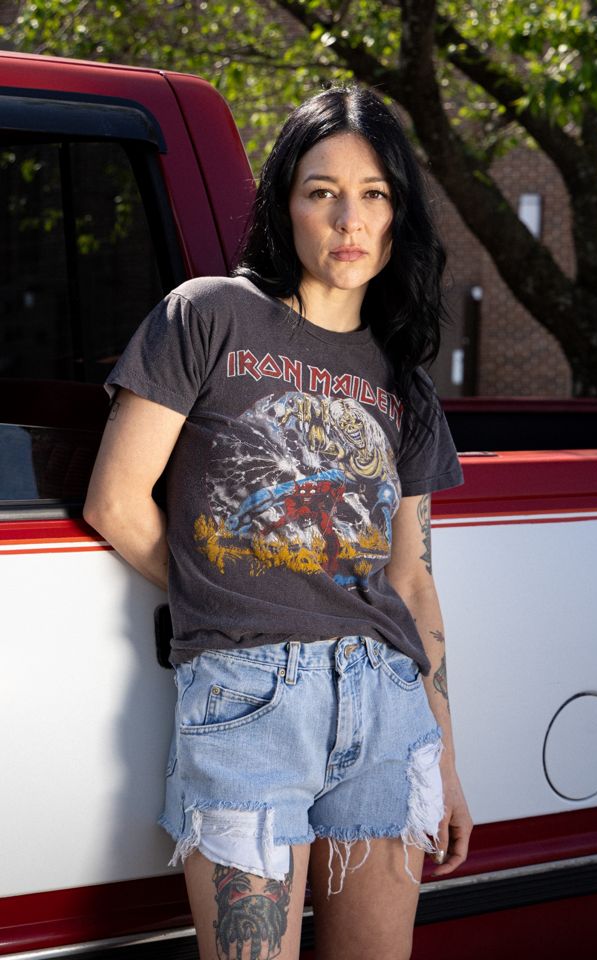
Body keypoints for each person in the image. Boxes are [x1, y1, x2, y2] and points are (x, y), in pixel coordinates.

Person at [84, 84, 473, 960]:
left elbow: (412, 579)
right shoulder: (208, 315)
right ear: (285, 206)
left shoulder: (404, 383)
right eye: (321, 191)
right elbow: (116, 501)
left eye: (373, 194)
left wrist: (446, 761)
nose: (349, 218)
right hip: (250, 699)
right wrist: (238, 591)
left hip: (388, 708)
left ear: (399, 216)